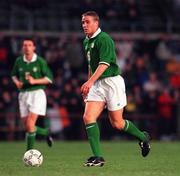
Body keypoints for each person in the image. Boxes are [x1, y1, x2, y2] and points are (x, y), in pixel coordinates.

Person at [81, 11, 151, 167]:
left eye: (87, 22)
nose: (84, 25)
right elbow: (91, 66)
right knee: (88, 117)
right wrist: (89, 83)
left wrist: (89, 82)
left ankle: (143, 137)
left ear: (96, 23)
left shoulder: (104, 39)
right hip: (97, 84)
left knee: (117, 123)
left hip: (112, 82)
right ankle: (98, 156)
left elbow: (104, 64)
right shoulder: (86, 41)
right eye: (83, 22)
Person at [11, 38, 53, 151]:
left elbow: (49, 79)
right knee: (28, 126)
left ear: (34, 47)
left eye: (29, 45)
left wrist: (35, 81)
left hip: (37, 94)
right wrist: (17, 83)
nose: (27, 47)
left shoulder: (40, 61)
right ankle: (45, 132)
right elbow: (13, 75)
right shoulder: (19, 61)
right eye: (25, 45)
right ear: (22, 47)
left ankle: (29, 153)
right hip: (23, 95)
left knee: (30, 124)